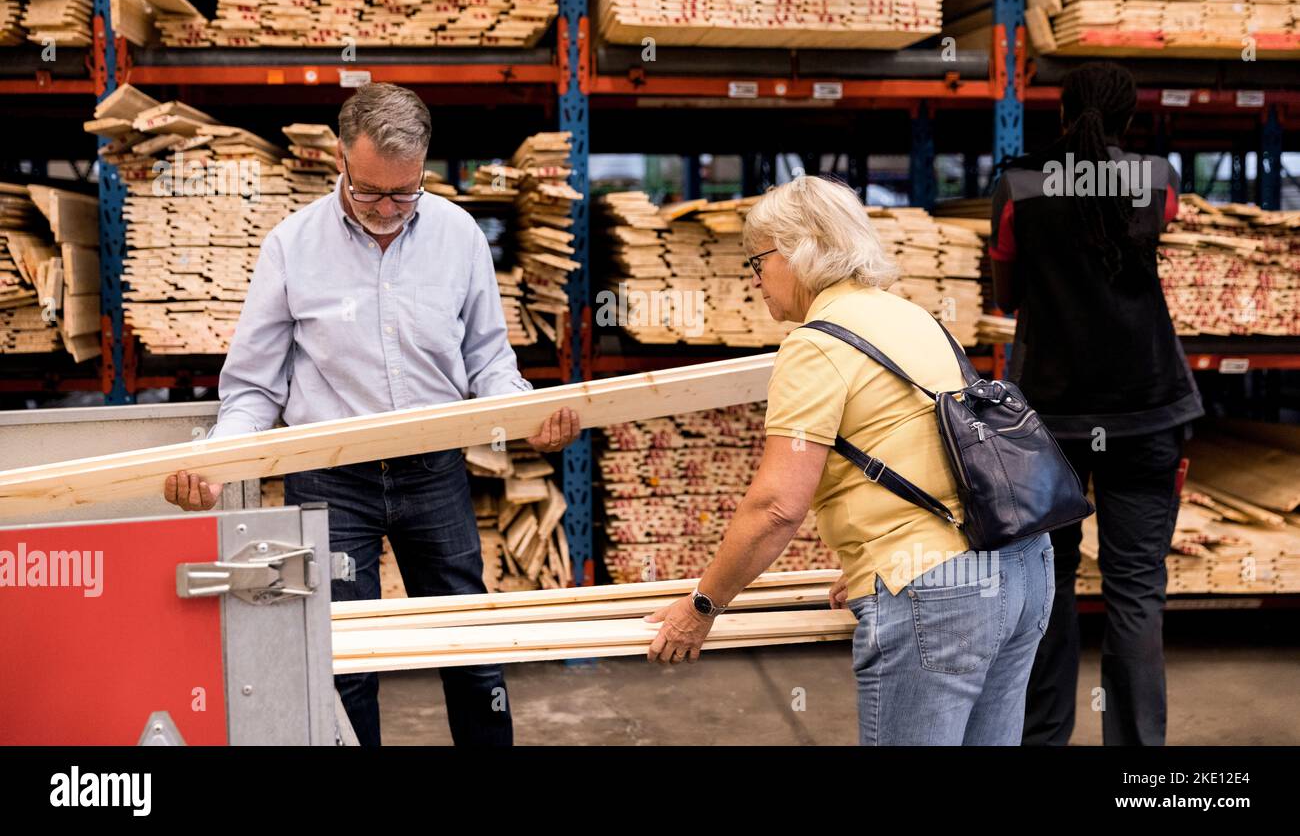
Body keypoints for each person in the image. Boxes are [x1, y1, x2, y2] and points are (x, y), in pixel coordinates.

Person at [162, 82, 581, 746]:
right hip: (329, 480)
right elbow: (253, 389)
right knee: (344, 665)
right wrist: (216, 459)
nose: (387, 209)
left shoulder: (458, 236)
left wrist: (527, 410)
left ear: (424, 169)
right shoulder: (291, 247)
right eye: (370, 192)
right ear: (339, 159)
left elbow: (489, 361)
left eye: (404, 192)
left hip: (434, 471)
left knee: (472, 652)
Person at [645, 175, 1054, 745]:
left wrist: (703, 605)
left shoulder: (817, 344)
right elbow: (928, 451)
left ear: (797, 252)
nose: (756, 279)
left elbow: (775, 508)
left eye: (758, 261)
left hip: (938, 598)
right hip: (1022, 565)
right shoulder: (910, 315)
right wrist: (879, 557)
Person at [990, 62, 1203, 746]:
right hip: (1148, 410)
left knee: (1046, 588)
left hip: (1048, 422)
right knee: (1136, 591)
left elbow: (1007, 295)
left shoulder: (1018, 184)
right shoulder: (1158, 179)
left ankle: (1043, 740)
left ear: (1060, 114)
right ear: (1131, 118)